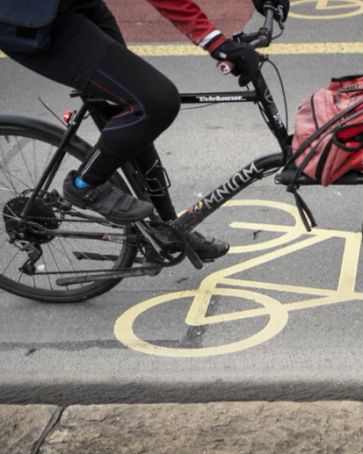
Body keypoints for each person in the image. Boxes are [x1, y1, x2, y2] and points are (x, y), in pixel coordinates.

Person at [0, 0, 286, 261]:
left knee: (130, 107)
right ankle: (83, 185)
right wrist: (215, 43)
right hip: (32, 19)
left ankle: (169, 229)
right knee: (156, 100)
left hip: (71, 6)